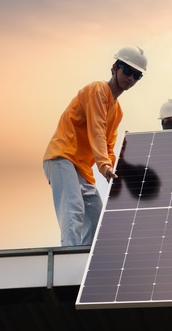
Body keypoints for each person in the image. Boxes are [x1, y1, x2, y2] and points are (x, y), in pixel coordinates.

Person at [43, 46, 147, 246]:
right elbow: (97, 130)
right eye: (127, 71)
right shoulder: (97, 91)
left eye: (137, 75)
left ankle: (84, 263)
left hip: (82, 167)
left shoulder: (117, 111)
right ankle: (69, 258)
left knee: (95, 216)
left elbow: (108, 145)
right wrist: (104, 166)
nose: (130, 78)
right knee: (73, 209)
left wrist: (115, 173)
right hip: (62, 156)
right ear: (114, 68)